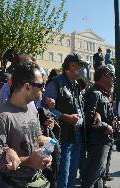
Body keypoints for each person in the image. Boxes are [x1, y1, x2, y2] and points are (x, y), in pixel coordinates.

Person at [0, 62, 53, 188]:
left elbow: (35, 137)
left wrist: (46, 150)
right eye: (41, 85)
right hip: (13, 183)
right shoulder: (2, 116)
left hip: (37, 180)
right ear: (27, 87)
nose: (44, 89)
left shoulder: (32, 108)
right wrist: (29, 161)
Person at [42, 53, 85, 188]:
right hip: (63, 137)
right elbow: (45, 110)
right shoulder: (55, 83)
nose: (83, 69)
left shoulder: (76, 85)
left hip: (77, 135)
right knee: (62, 175)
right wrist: (65, 117)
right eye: (81, 66)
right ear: (72, 66)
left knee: (72, 174)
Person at [82, 65, 115, 188]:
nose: (114, 78)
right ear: (103, 76)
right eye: (111, 75)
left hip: (104, 140)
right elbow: (89, 117)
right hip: (98, 140)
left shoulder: (104, 94)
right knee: (92, 175)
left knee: (99, 174)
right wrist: (105, 126)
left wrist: (113, 122)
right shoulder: (95, 93)